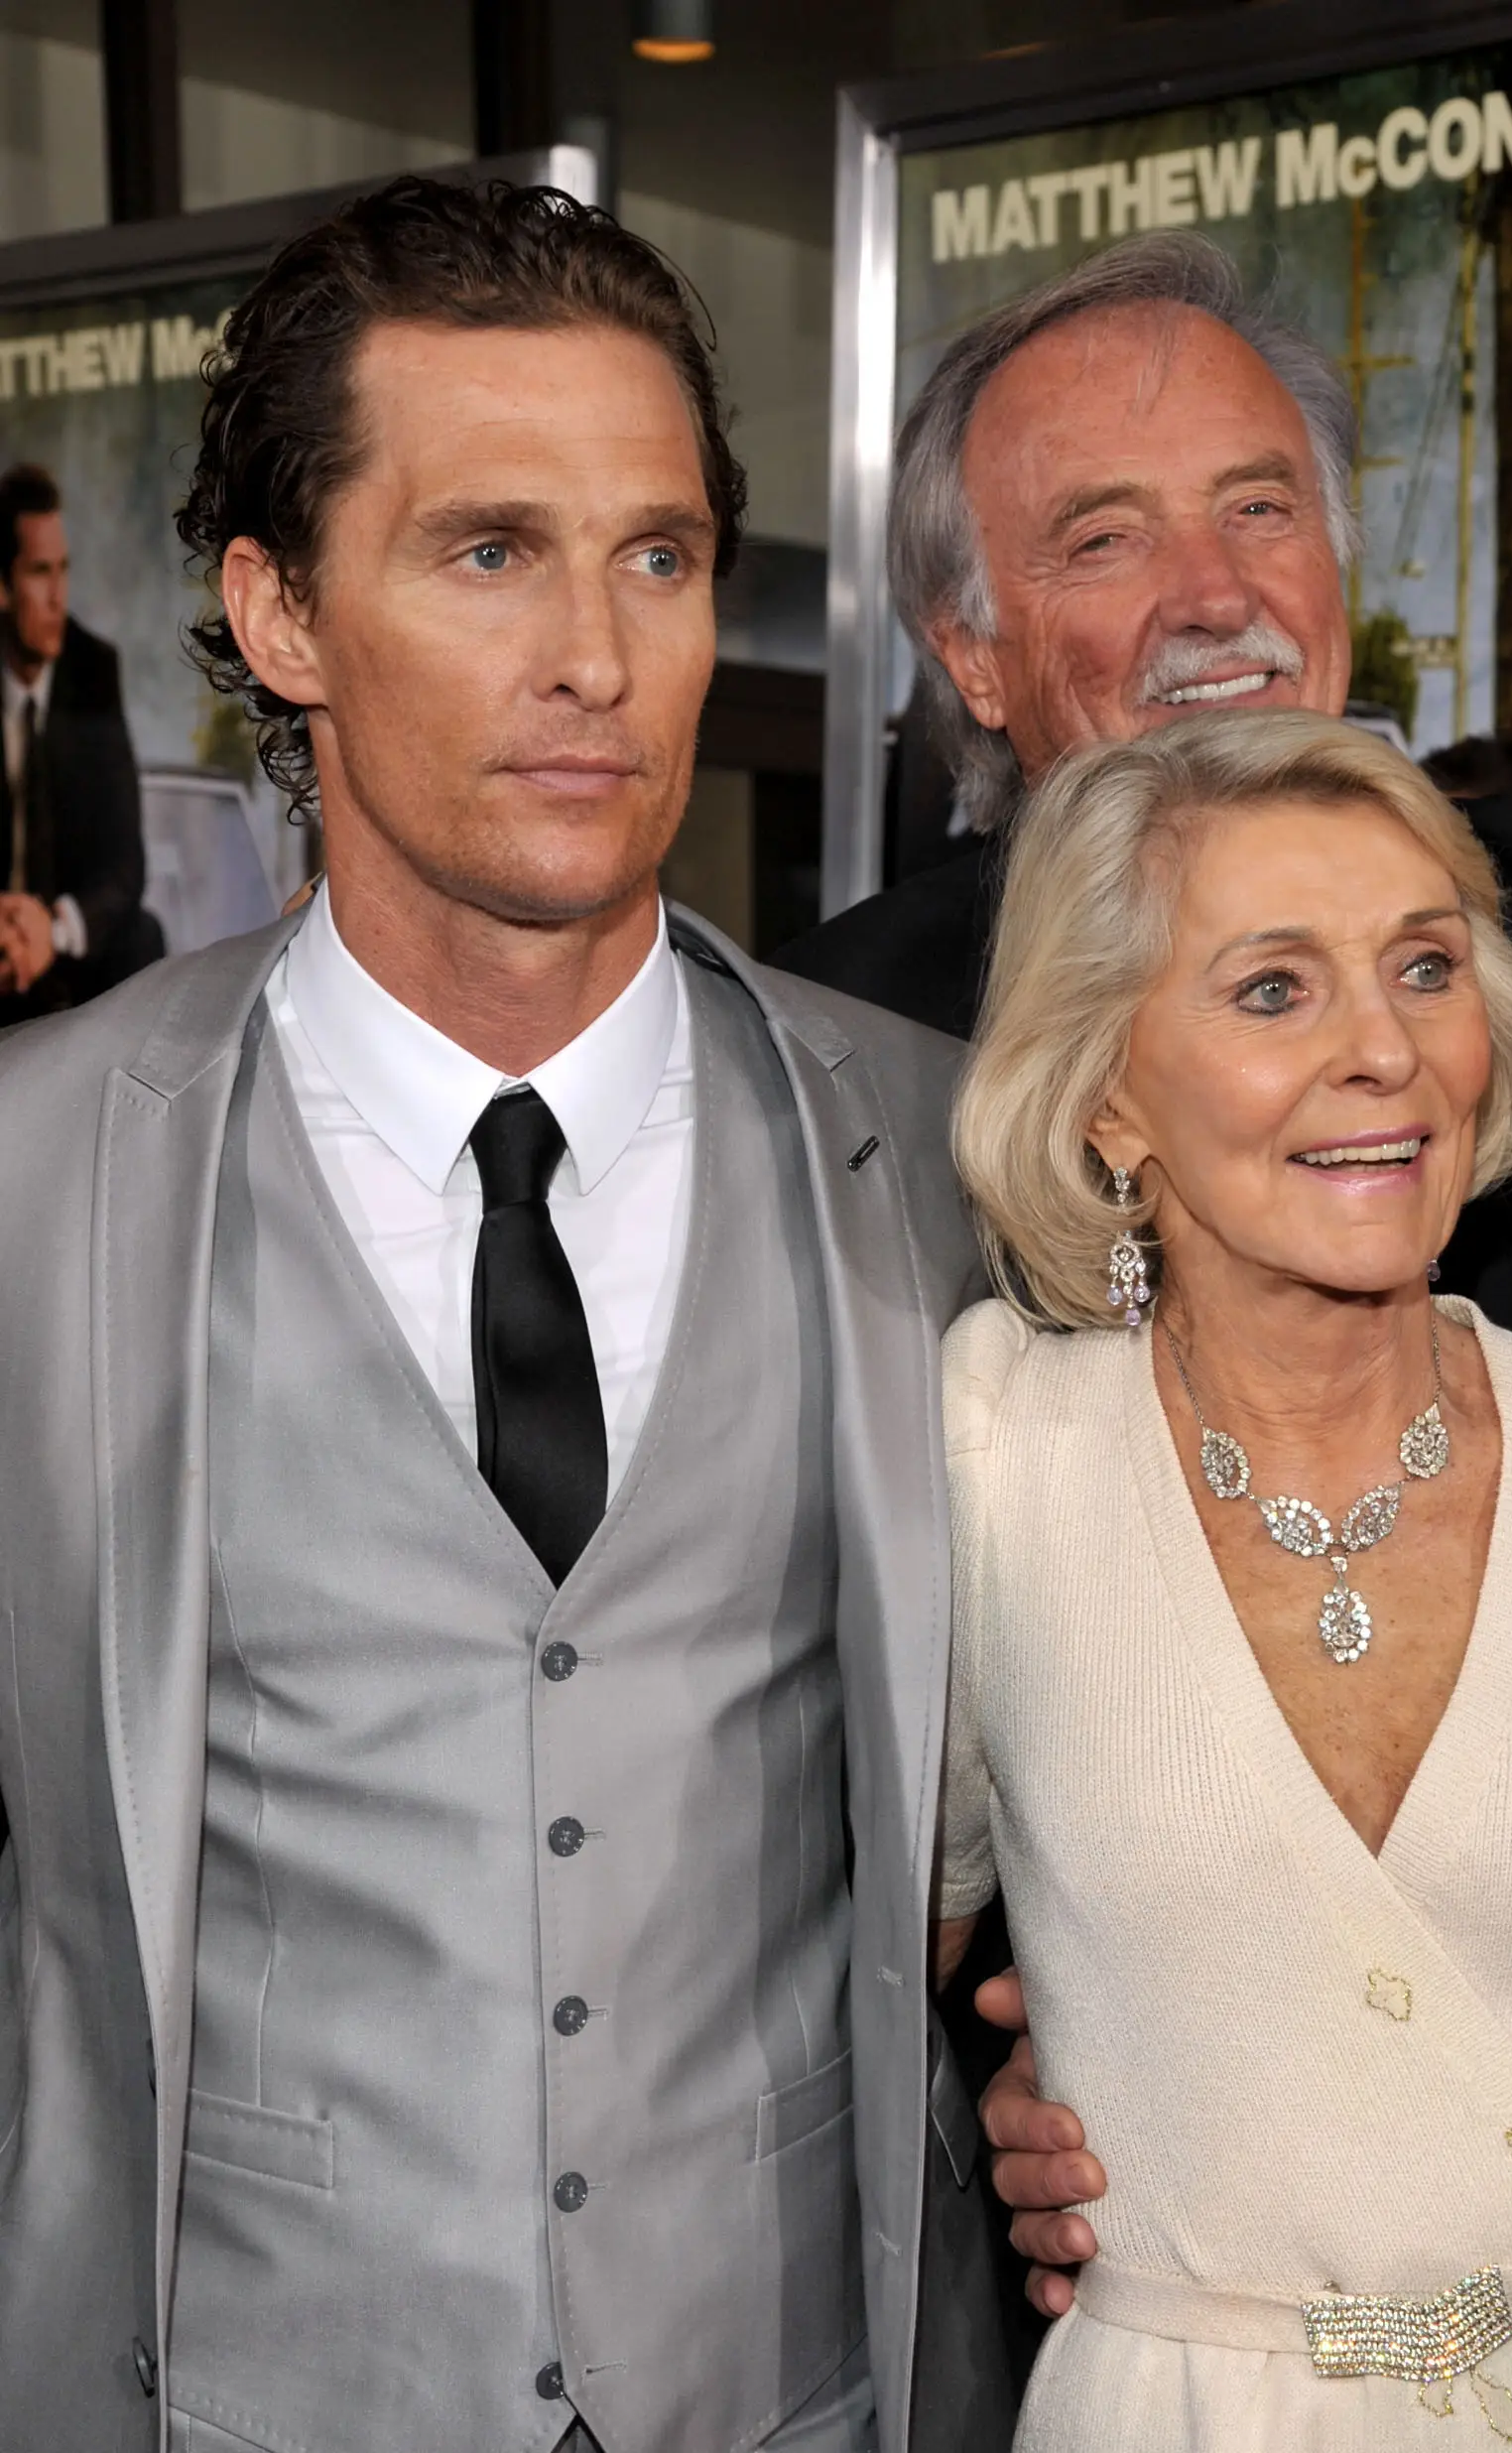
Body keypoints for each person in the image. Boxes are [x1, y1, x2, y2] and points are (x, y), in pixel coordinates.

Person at [0, 177, 1016, 2453]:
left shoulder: (946, 1166)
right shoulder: (26, 1186)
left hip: (798, 2398)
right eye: (488, 552)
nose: (598, 653)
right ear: (278, 609)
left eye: (655, 555)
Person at [936, 708, 1512, 2449]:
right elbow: (862, 1973)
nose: (1382, 1049)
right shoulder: (991, 1461)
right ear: (1103, 1096)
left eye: (1419, 967)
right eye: (1270, 989)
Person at [774, 235, 1512, 1365]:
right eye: (1105, 539)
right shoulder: (823, 1057)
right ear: (972, 657)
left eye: (1257, 508)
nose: (1212, 593)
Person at [0, 460, 158, 1016]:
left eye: (64, 571)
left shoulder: (93, 671)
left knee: (142, 935)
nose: (57, 597)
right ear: (1, 587)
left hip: (62, 952)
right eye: (40, 573)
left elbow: (124, 866)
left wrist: (53, 929)